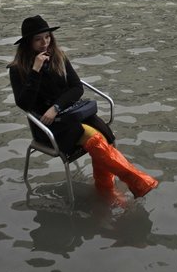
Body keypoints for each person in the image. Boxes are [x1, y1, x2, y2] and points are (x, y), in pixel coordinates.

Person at [8, 16, 157, 199]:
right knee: (95, 139)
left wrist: (56, 106)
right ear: (27, 43)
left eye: (47, 37)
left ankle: (107, 191)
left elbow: (77, 87)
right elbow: (24, 103)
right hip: (47, 126)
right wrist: (35, 71)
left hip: (70, 115)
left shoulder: (59, 57)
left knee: (103, 136)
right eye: (38, 39)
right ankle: (133, 183)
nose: (45, 43)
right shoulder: (17, 69)